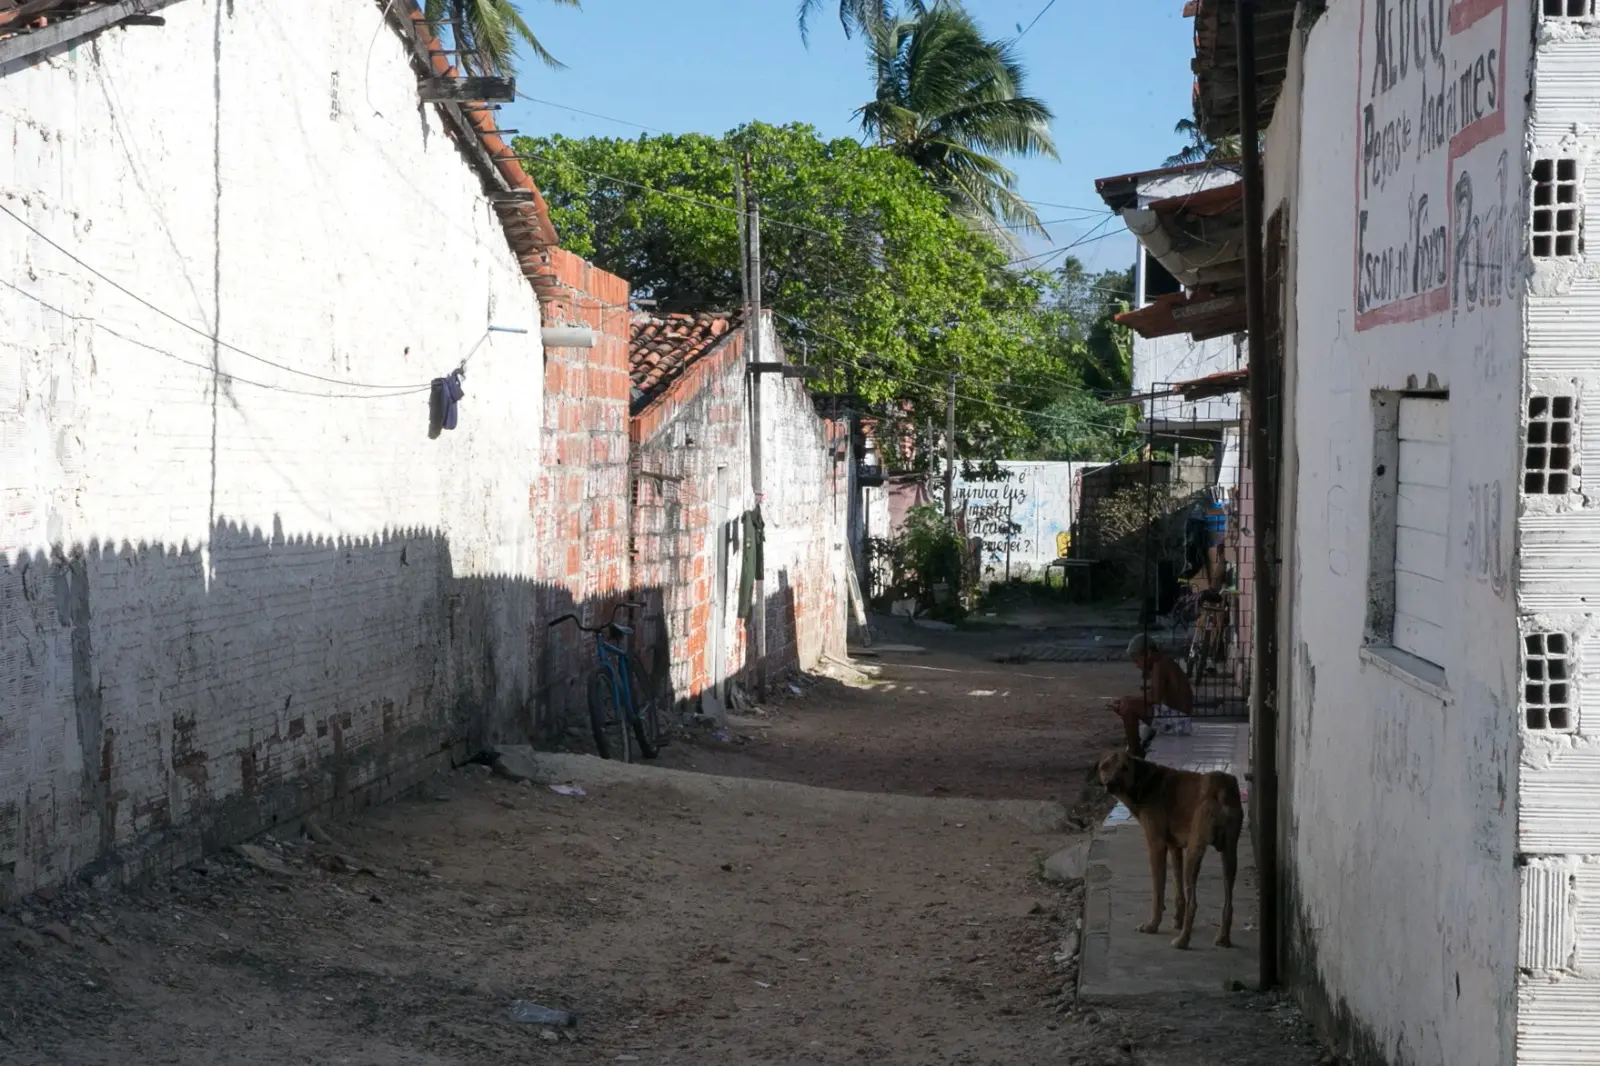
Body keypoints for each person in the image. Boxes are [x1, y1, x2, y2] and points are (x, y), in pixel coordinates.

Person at [1109, 633, 1194, 755]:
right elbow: (1154, 695)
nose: (1137, 666)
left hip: (1180, 723)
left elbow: (1154, 698)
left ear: (1148, 653)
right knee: (1127, 704)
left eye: (1137, 661)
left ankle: (1134, 750)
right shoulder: (1163, 662)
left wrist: (1126, 703)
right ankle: (1134, 746)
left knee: (1128, 706)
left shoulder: (1159, 665)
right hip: (1181, 721)